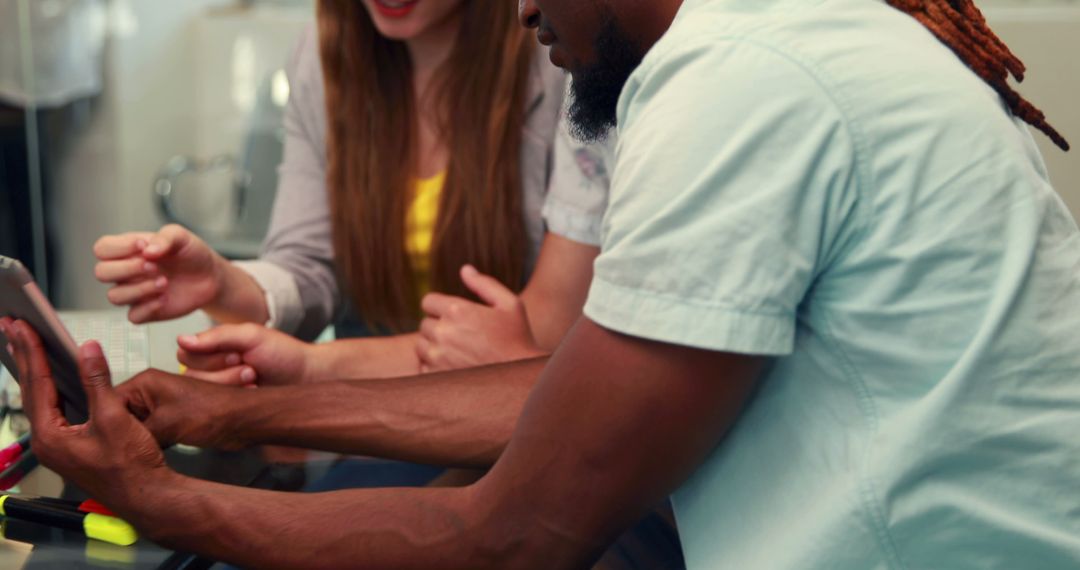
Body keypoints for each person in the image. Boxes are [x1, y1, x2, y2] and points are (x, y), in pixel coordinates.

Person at [4, 0, 1080, 568]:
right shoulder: (764, 42)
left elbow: (514, 535)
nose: (519, 11)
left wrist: (161, 497)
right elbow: (564, 395)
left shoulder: (743, 84)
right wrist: (237, 412)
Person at [91, 0, 605, 380]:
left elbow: (547, 333)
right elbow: (307, 267)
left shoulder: (560, 55)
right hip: (370, 417)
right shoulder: (323, 55)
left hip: (504, 422)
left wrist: (313, 367)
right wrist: (224, 284)